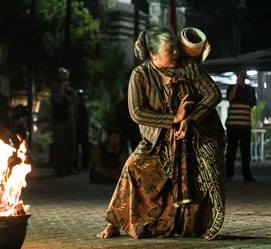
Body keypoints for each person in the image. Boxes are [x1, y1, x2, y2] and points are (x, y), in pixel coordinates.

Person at [97, 27, 226, 240]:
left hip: (193, 134)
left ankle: (191, 225)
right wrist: (173, 119)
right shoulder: (141, 75)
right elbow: (137, 112)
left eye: (176, 48)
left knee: (206, 170)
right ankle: (115, 223)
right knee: (132, 167)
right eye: (170, 50)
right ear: (153, 55)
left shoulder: (189, 67)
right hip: (157, 139)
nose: (176, 53)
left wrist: (189, 118)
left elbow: (214, 93)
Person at [225, 69, 257, 182]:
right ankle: (228, 174)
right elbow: (230, 98)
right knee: (231, 151)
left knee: (245, 151)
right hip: (232, 126)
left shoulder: (250, 89)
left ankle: (246, 174)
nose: (242, 77)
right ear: (237, 76)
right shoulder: (231, 88)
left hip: (245, 125)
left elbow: (252, 104)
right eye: (240, 75)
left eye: (244, 75)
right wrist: (236, 86)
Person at [50, 67, 77, 175]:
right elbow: (57, 100)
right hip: (58, 120)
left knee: (71, 143)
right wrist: (61, 91)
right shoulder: (54, 90)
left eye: (65, 79)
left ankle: (69, 167)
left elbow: (73, 102)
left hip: (69, 119)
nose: (63, 82)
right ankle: (59, 168)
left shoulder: (70, 90)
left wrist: (66, 92)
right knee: (59, 145)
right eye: (61, 80)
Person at [114, 83, 142, 152]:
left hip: (134, 132)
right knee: (123, 151)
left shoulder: (136, 104)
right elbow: (117, 120)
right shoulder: (120, 105)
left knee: (136, 151)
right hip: (123, 133)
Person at [74, 89, 90, 170]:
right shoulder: (78, 106)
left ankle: (84, 165)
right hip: (78, 130)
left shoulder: (84, 105)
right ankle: (78, 165)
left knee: (84, 149)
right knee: (77, 149)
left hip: (83, 130)